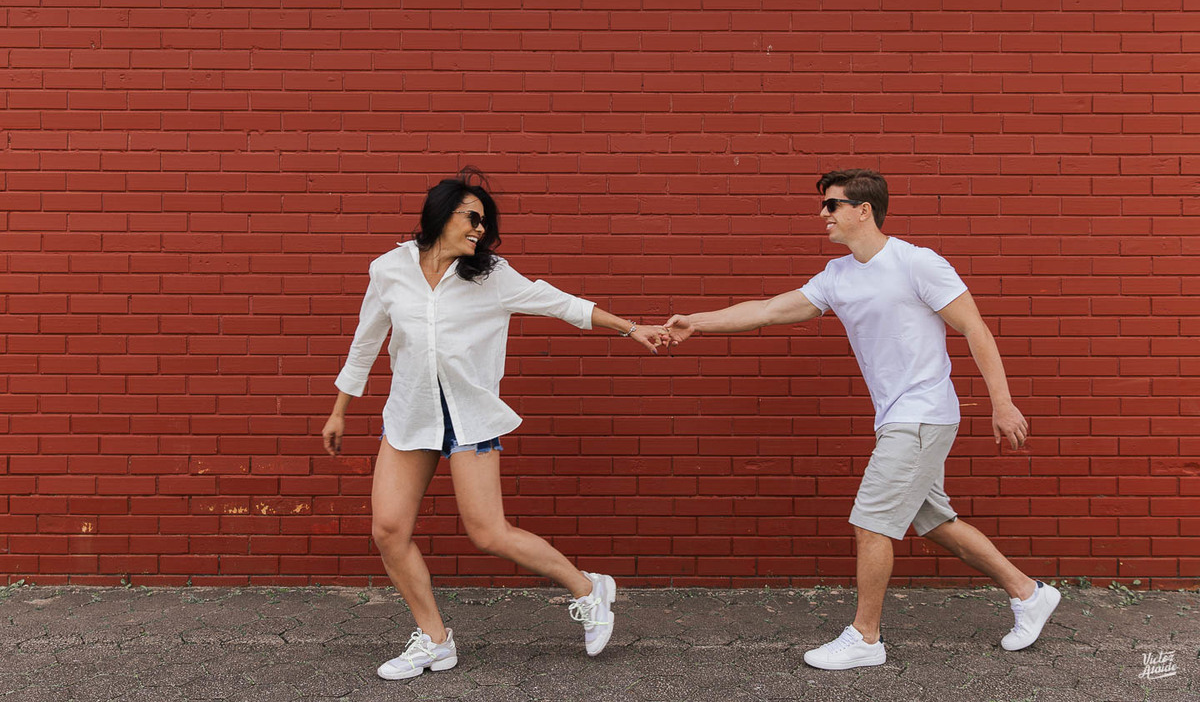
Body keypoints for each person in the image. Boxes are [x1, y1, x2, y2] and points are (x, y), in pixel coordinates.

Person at [660, 169, 1059, 670]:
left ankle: (865, 638)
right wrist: (696, 322)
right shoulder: (838, 276)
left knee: (871, 522)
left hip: (921, 413)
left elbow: (973, 327)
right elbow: (767, 310)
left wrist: (1002, 402)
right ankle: (1028, 593)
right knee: (931, 518)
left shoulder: (917, 263)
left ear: (862, 210)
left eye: (831, 205)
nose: (821, 214)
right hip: (897, 418)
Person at [321, 168, 661, 680]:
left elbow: (561, 304)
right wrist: (340, 410)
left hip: (468, 418)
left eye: (486, 222)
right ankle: (434, 639)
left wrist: (631, 327)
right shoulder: (389, 269)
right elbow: (366, 342)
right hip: (411, 415)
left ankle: (590, 589)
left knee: (488, 533)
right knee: (389, 531)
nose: (480, 228)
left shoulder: (492, 276)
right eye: (471, 217)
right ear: (440, 214)